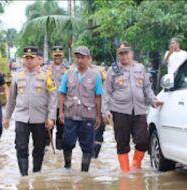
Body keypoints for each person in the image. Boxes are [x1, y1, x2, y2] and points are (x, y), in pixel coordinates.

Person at [102, 42, 163, 172]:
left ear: (132, 53)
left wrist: (153, 100)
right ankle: (125, 173)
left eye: (126, 52)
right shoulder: (113, 70)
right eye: (121, 53)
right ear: (118, 55)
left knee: (143, 141)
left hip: (139, 110)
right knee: (122, 143)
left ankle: (135, 166)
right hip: (120, 111)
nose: (124, 56)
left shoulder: (140, 68)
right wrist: (105, 111)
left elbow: (147, 88)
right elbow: (106, 91)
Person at [3, 46, 57, 176]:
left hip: (40, 118)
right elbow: (11, 99)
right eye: (26, 58)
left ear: (37, 60)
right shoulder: (17, 76)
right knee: (21, 146)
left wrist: (51, 117)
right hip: (22, 117)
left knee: (39, 147)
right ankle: (24, 176)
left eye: (31, 58)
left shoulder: (46, 76)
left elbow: (53, 98)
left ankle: (37, 172)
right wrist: (7, 117)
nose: (28, 60)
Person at [59, 46, 102, 172]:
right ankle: (67, 167)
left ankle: (84, 172)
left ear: (89, 59)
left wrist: (98, 115)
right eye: (77, 57)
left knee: (87, 146)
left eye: (83, 57)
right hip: (70, 115)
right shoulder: (68, 74)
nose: (80, 60)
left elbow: (98, 96)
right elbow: (62, 93)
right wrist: (61, 112)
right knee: (67, 143)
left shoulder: (95, 76)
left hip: (88, 116)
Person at [43, 46, 68, 150]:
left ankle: (59, 151)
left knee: (61, 130)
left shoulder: (68, 71)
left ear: (62, 56)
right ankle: (47, 151)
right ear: (52, 56)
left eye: (59, 55)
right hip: (49, 105)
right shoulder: (45, 70)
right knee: (48, 129)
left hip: (63, 106)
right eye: (55, 56)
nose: (57, 57)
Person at [88, 59, 107, 159]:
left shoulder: (100, 71)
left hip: (100, 109)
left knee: (98, 135)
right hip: (85, 110)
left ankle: (94, 159)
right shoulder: (76, 71)